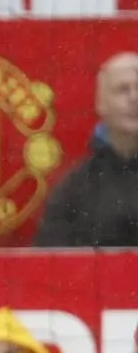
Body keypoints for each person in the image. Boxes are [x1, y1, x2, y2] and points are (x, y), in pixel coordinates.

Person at [35, 53, 138, 248]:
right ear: (101, 104)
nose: (134, 98)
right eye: (122, 90)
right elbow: (49, 265)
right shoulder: (74, 188)